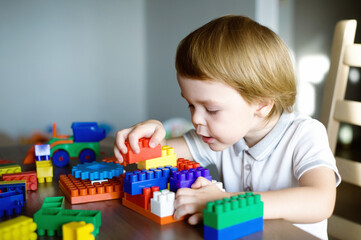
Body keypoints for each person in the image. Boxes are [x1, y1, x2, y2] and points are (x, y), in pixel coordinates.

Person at [114, 15, 340, 239]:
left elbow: (321, 200)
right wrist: (149, 135)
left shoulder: (305, 134)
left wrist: (227, 201)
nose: (196, 119)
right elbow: (161, 152)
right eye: (191, 105)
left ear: (261, 104)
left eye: (211, 110)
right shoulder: (220, 137)